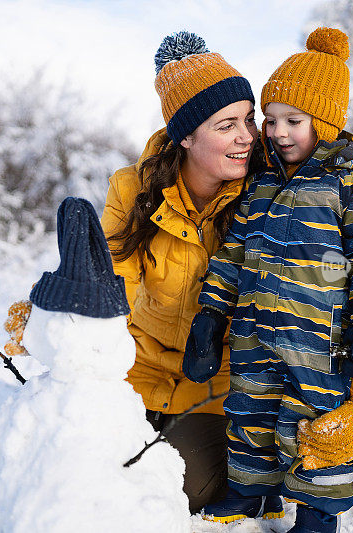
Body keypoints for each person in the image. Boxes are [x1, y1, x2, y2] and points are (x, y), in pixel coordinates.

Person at [183, 28, 353, 532]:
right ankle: (251, 493)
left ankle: (319, 512)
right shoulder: (258, 185)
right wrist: (212, 314)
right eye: (271, 120)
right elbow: (232, 255)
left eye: (293, 121)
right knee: (249, 413)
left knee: (318, 427)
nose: (278, 132)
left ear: (323, 122)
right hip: (254, 332)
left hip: (320, 341)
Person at [99, 31, 260, 514]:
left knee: (179, 489)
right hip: (139, 374)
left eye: (249, 120)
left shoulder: (266, 198)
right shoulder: (134, 188)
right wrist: (57, 315)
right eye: (226, 125)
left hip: (218, 389)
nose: (246, 137)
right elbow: (109, 284)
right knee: (91, 464)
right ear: (185, 136)